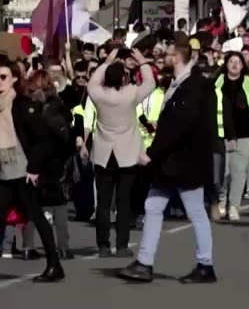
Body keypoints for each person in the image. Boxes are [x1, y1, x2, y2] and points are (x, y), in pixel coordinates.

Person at [119, 39, 217, 284]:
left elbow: (179, 126)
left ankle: (205, 265)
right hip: (170, 161)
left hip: (185, 161)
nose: (163, 58)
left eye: (168, 54)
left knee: (195, 210)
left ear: (178, 56)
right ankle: (144, 262)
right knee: (153, 205)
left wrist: (152, 152)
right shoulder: (180, 83)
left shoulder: (194, 86)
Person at [84, 50, 156, 257]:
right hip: (126, 153)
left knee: (104, 204)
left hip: (103, 153)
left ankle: (103, 245)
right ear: (124, 78)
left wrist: (106, 62)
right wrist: (142, 61)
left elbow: (93, 80)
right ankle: (122, 245)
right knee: (124, 202)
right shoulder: (131, 93)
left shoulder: (98, 94)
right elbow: (150, 83)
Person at [0, 61, 65, 282]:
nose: (0, 83)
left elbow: (43, 140)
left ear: (14, 79)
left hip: (23, 170)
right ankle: (54, 266)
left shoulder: (22, 106)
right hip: (4, 170)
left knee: (37, 217)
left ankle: (54, 265)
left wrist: (34, 168)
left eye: (3, 77)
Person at [19, 71, 76, 262]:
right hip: (53, 159)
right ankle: (63, 247)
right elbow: (67, 135)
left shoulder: (25, 107)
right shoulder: (57, 107)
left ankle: (27, 246)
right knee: (58, 203)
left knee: (31, 204)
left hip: (30, 159)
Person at [212, 51, 249, 221]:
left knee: (239, 171)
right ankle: (221, 200)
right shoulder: (217, 83)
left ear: (243, 65)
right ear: (226, 65)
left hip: (245, 133)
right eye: (231, 61)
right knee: (223, 172)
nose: (234, 64)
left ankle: (234, 206)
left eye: (238, 62)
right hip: (222, 134)